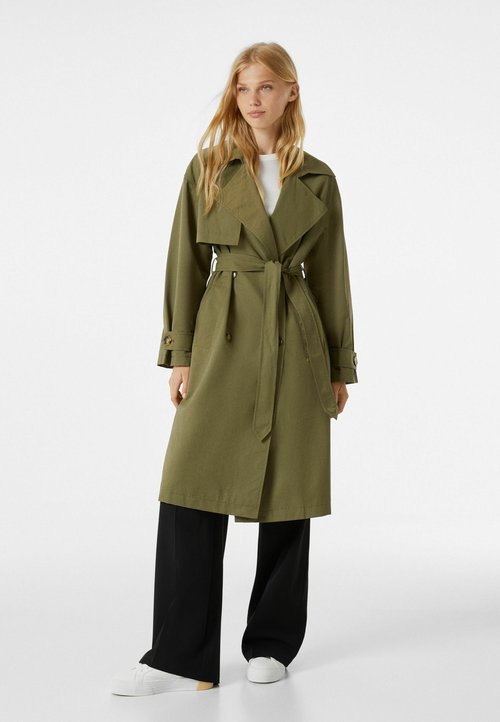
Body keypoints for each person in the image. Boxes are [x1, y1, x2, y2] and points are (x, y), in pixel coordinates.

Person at [111, 40, 358, 696]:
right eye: (243, 88)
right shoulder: (209, 169)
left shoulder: (319, 179)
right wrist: (181, 354)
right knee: (189, 486)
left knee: (289, 493)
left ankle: (272, 643)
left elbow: (332, 275)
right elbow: (185, 265)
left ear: (290, 92)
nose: (253, 99)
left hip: (296, 340)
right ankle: (177, 654)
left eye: (266, 86)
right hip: (223, 336)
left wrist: (339, 365)